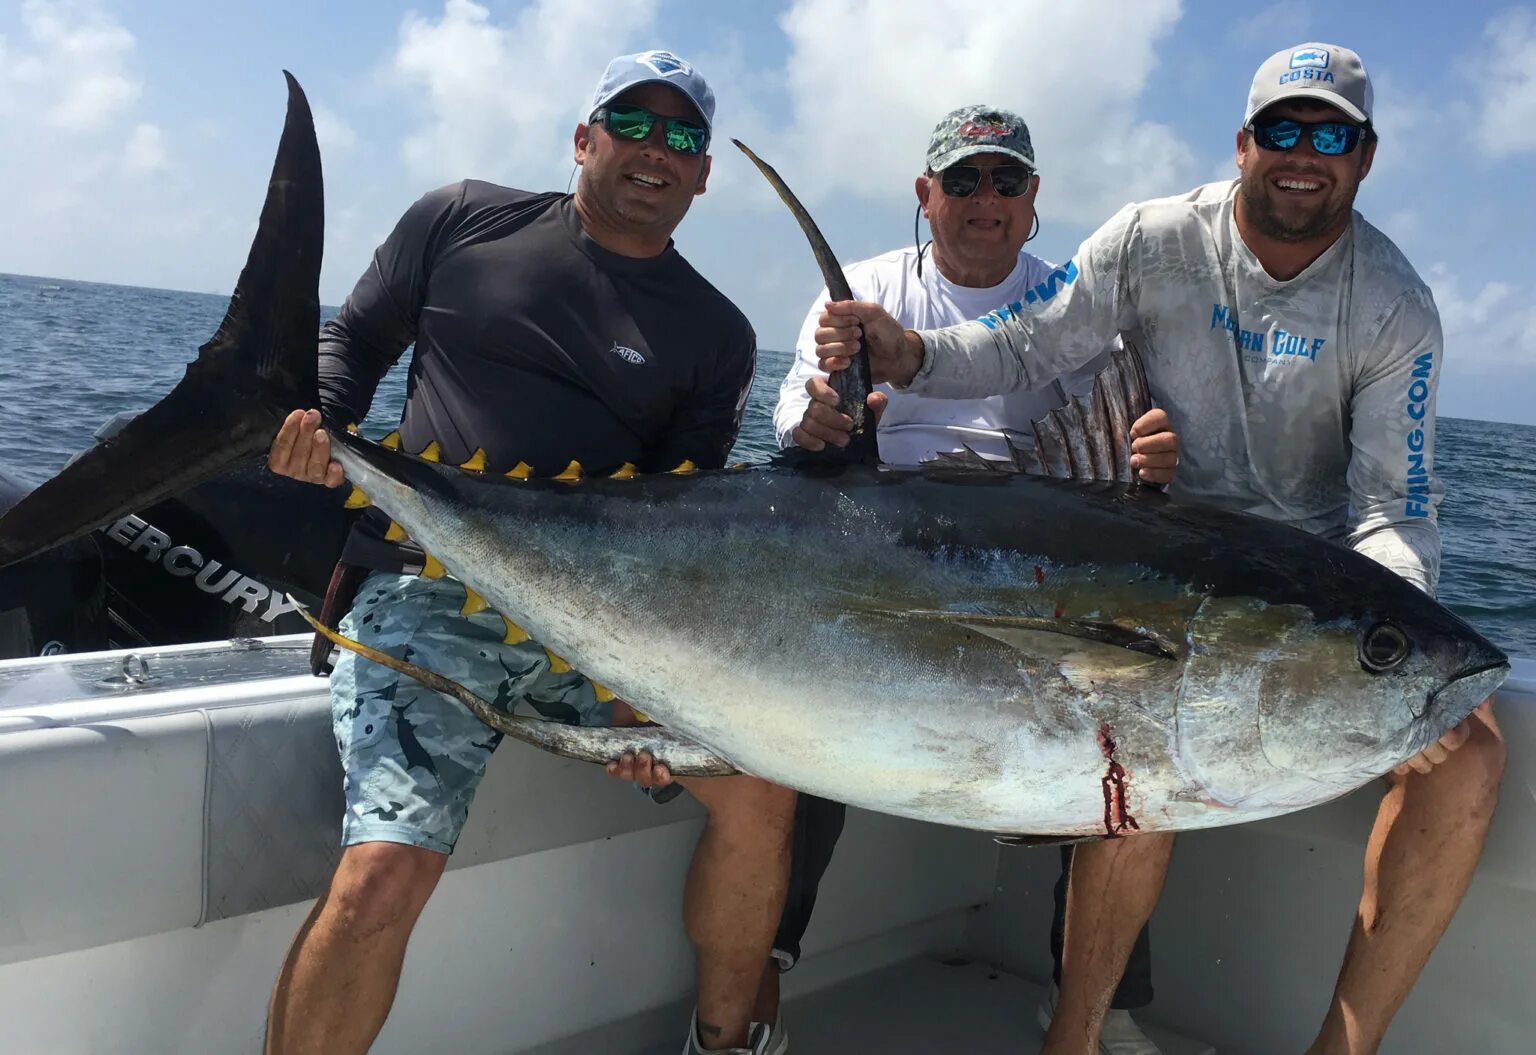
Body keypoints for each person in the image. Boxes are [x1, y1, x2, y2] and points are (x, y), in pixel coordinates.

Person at [813, 42, 1506, 1055]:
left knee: (1470, 758)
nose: (1302, 153)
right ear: (1243, 143)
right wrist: (913, 353)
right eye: (1282, 129)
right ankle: (1076, 1035)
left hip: (1309, 586)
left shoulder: (1395, 306)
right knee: (1148, 742)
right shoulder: (1153, 239)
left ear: (1365, 156)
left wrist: (1399, 637)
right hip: (1160, 545)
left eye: (1330, 135)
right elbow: (1027, 339)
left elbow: (1390, 507)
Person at [262, 50, 792, 1055]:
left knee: (762, 789)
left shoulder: (718, 333)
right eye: (632, 125)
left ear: (704, 174)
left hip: (591, 623)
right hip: (423, 596)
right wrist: (316, 426)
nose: (656, 152)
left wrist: (641, 686)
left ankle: (724, 1040)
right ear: (583, 137)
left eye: (684, 138)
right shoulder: (463, 217)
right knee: (383, 870)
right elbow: (354, 344)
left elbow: (671, 529)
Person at [774, 104, 1177, 1055]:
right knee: (797, 711)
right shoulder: (864, 291)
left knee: (1130, 748)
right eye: (962, 181)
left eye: (1005, 181)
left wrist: (1155, 461)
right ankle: (770, 959)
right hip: (878, 561)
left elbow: (1121, 471)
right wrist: (820, 423)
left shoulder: (1079, 307)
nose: (984, 200)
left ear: (1034, 198)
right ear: (927, 196)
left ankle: (1101, 997)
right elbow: (796, 425)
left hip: (1037, 584)